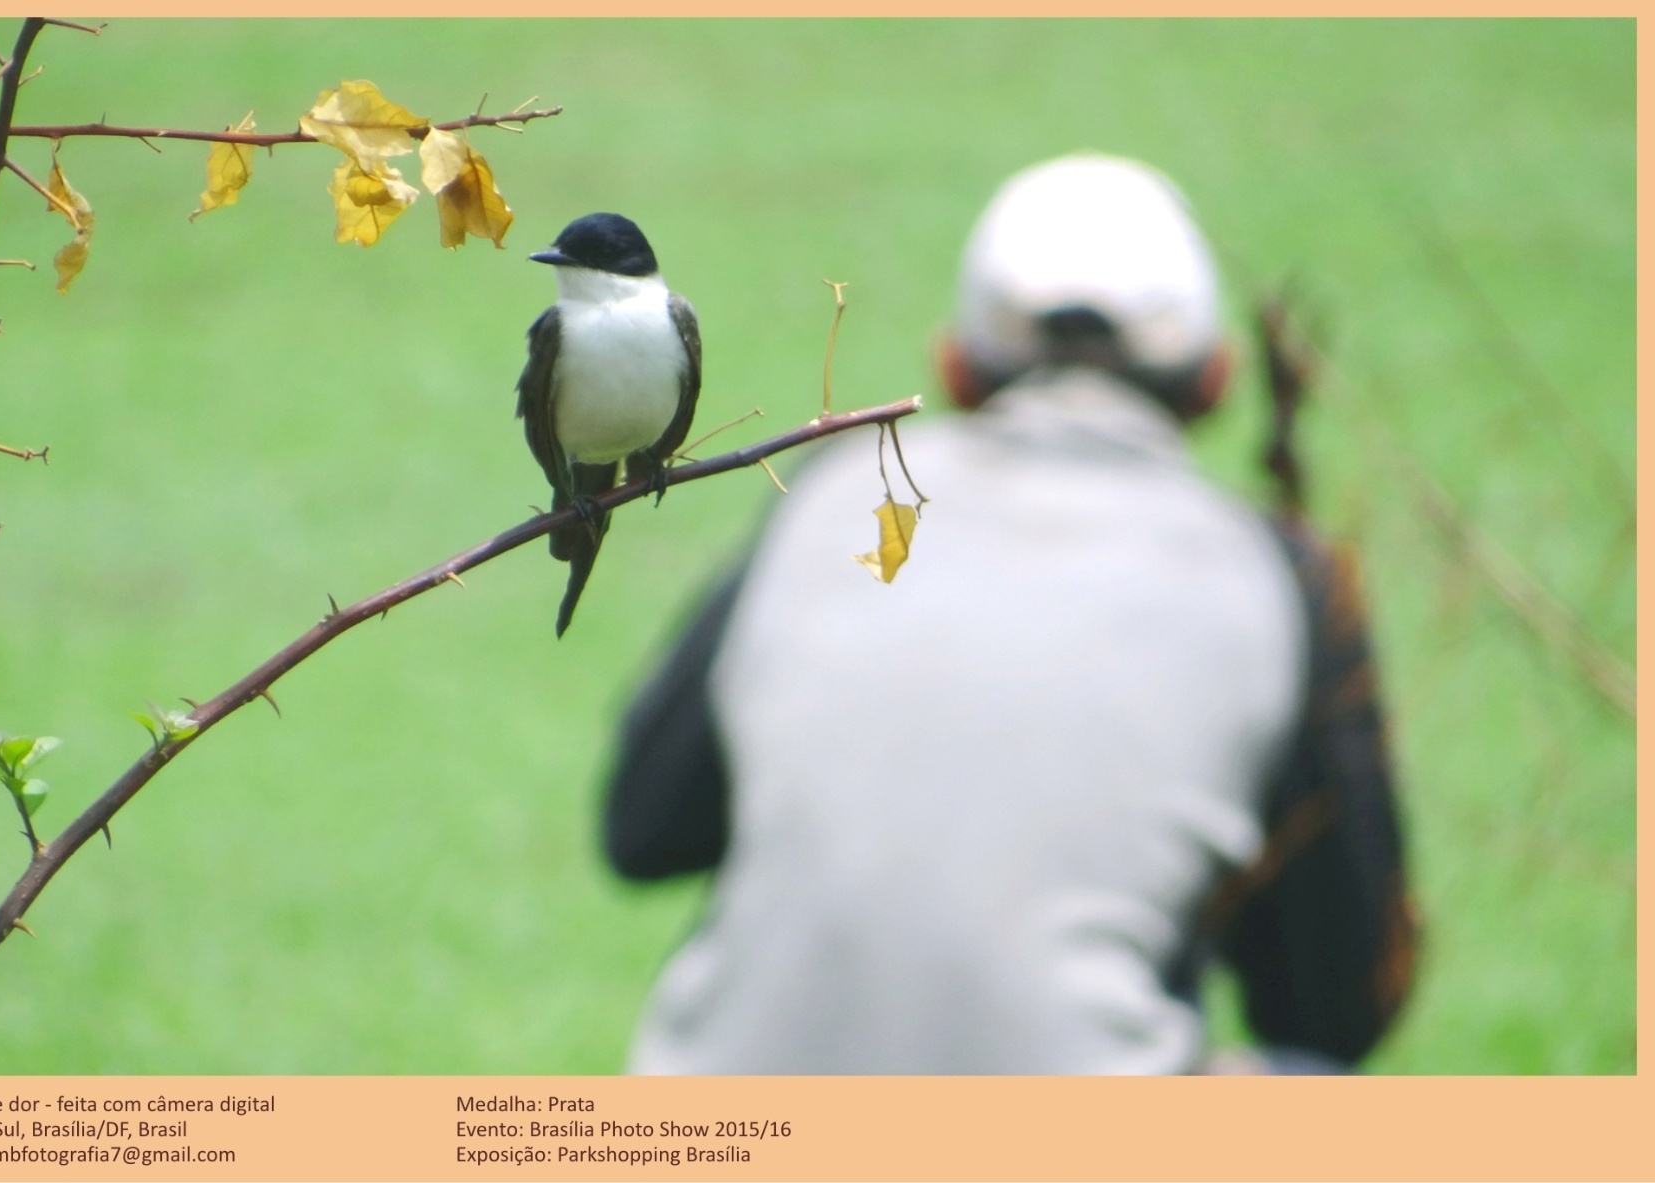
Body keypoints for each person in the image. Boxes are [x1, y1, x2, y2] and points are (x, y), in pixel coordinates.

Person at [601, 153, 1418, 1075]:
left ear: (953, 365)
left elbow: (642, 828)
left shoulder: (839, 494)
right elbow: (1338, 1007)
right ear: (1217, 379)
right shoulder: (1279, 572)